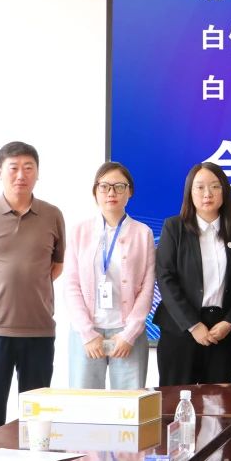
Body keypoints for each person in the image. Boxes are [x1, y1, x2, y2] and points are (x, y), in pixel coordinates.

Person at [0, 141, 65, 434]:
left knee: (37, 422)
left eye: (28, 168)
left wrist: (28, 288)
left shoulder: (52, 215)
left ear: (37, 173)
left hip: (38, 331)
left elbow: (56, 266)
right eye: (13, 168)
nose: (21, 175)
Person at [154, 162, 231, 386]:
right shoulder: (174, 227)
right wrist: (193, 325)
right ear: (190, 192)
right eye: (200, 187)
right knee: (175, 401)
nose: (207, 194)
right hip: (180, 330)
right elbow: (166, 279)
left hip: (221, 332)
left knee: (218, 402)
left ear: (225, 191)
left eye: (215, 186)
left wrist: (229, 322)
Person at [64, 162, 155, 389]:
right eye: (104, 186)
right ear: (95, 191)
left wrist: (129, 334)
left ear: (130, 192)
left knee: (128, 404)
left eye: (119, 186)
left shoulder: (143, 233)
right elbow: (71, 285)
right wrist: (87, 332)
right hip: (86, 333)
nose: (111, 193)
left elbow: (147, 287)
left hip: (127, 334)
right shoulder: (79, 231)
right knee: (84, 402)